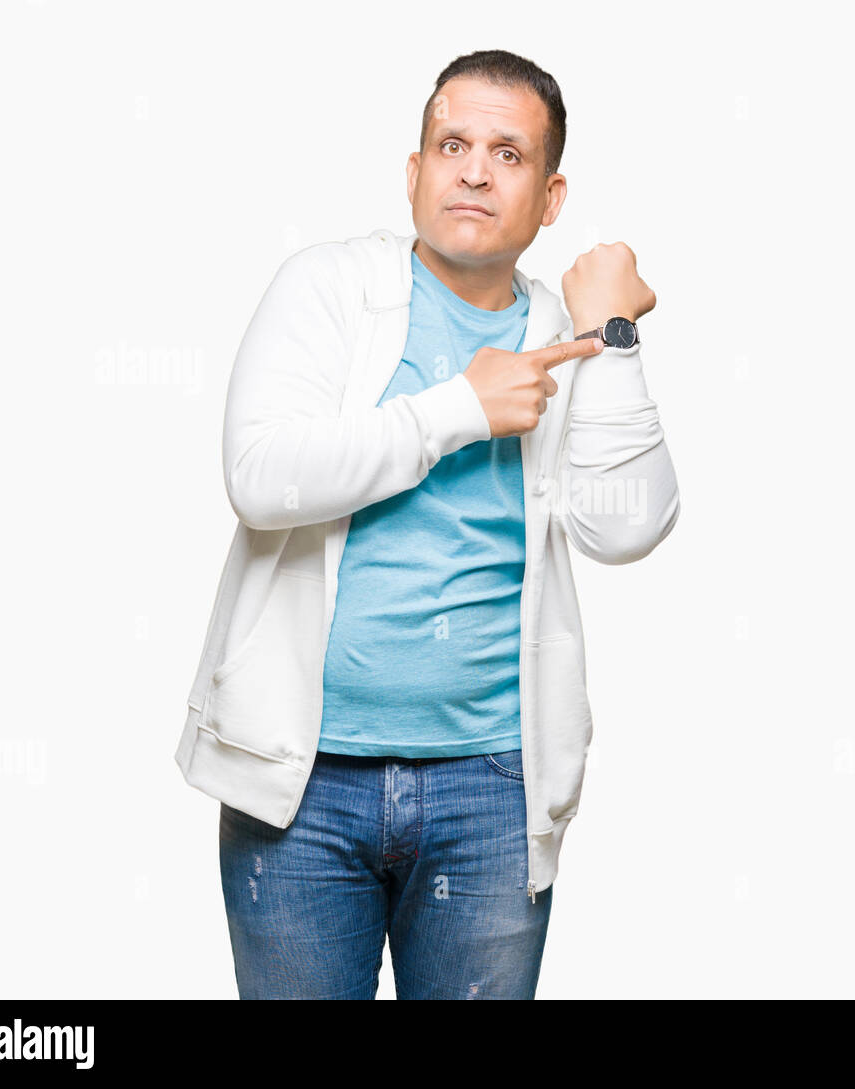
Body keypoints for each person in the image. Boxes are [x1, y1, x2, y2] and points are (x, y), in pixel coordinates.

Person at [175, 48, 681, 999]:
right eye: (452, 145)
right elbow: (259, 476)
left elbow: (628, 526)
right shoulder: (326, 289)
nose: (476, 171)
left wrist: (613, 336)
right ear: (414, 173)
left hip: (491, 787)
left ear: (551, 194)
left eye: (509, 153)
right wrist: (460, 407)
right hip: (301, 782)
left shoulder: (560, 331)